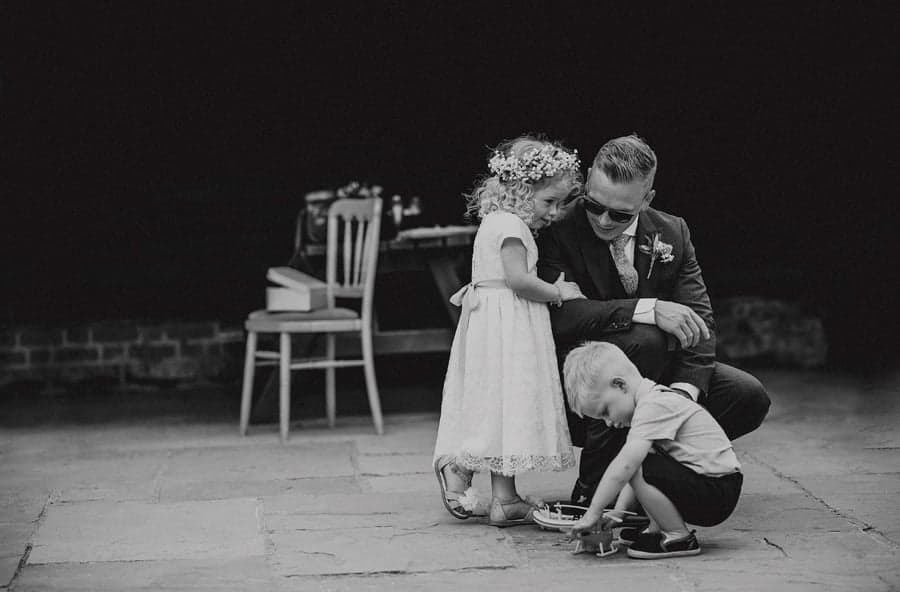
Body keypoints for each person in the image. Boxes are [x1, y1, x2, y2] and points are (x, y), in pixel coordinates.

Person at [536, 134, 769, 504]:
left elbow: (699, 320)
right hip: (577, 383)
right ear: (589, 179)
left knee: (747, 395)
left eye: (620, 214)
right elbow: (561, 316)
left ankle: (656, 478)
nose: (603, 220)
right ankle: (591, 491)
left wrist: (680, 398)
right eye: (594, 205)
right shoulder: (556, 227)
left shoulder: (672, 232)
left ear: (647, 200)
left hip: (650, 381)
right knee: (647, 340)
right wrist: (647, 309)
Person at [433, 135, 585, 527]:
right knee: (507, 400)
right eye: (549, 201)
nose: (554, 212)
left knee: (504, 405)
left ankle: (505, 498)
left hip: (494, 322)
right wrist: (558, 292)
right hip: (508, 325)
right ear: (521, 189)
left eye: (560, 203)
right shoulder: (512, 226)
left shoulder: (497, 220)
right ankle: (464, 468)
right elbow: (518, 281)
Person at [564, 341, 743, 559]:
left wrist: (593, 512)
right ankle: (656, 529)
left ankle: (678, 536)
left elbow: (627, 468)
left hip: (717, 492)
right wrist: (618, 514)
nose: (608, 422)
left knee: (633, 464)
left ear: (620, 385)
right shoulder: (652, 402)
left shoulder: (654, 405)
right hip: (714, 486)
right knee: (643, 463)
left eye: (605, 411)